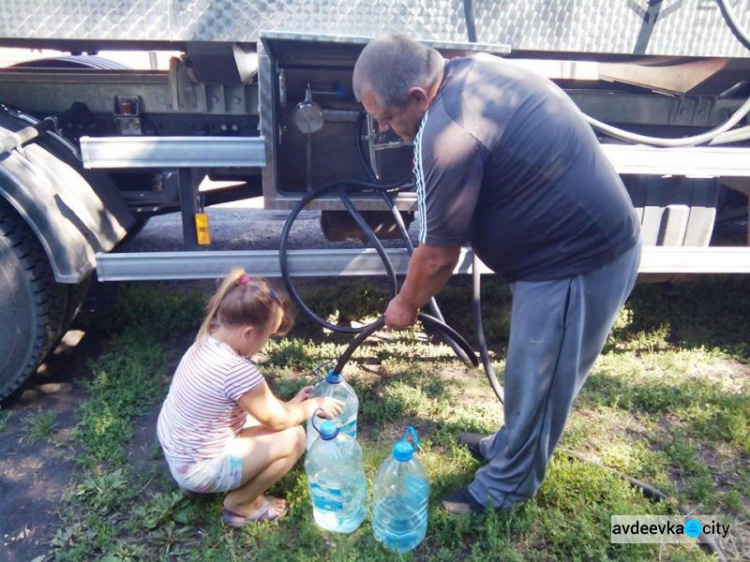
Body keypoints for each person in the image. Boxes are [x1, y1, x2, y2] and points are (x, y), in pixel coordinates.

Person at [353, 35, 642, 515]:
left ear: (418, 97)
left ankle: (505, 488)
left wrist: (405, 304)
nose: (384, 129)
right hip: (562, 254)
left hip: (578, 261)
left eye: (386, 117)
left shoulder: (445, 129)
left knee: (541, 381)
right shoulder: (468, 73)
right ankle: (508, 445)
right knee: (530, 377)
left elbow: (438, 257)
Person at [156, 269, 344, 526]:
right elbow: (278, 422)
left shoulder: (205, 342)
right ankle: (242, 503)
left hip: (181, 450)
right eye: (267, 336)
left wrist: (289, 408)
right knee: (295, 437)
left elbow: (261, 408)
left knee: (276, 419)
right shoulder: (236, 371)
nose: (265, 344)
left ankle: (203, 484)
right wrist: (313, 406)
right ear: (247, 333)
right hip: (198, 469)